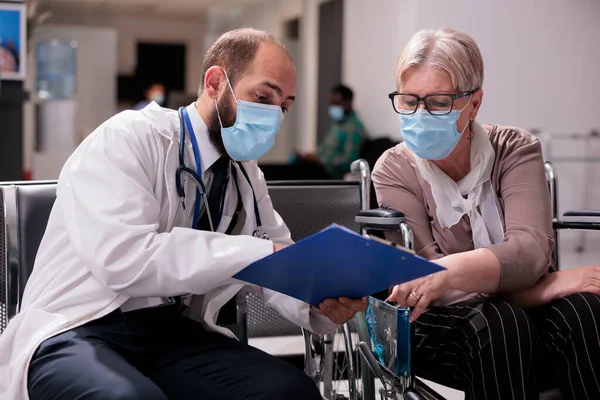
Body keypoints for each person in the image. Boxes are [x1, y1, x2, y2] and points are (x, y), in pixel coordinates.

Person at [0, 28, 367, 400]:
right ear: (214, 83)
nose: (274, 115)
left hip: (171, 333)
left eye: (283, 106)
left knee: (289, 391)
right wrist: (260, 253)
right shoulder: (129, 137)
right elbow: (125, 259)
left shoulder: (244, 172)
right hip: (81, 325)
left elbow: (279, 258)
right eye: (262, 96)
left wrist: (319, 300)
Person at [372, 28, 600, 400]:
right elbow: (424, 285)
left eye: (439, 102)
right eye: (409, 101)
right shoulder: (394, 170)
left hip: (515, 321)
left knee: (585, 311)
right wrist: (546, 286)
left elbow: (530, 251)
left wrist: (448, 275)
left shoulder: (515, 149)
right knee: (501, 322)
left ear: (473, 104)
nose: (420, 115)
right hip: (438, 326)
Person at [297, 84, 365, 178]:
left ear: (348, 102)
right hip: (318, 168)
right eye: (331, 103)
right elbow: (325, 149)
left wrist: (321, 160)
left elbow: (349, 161)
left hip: (330, 175)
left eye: (337, 103)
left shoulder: (354, 128)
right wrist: (311, 156)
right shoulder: (336, 125)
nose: (333, 107)